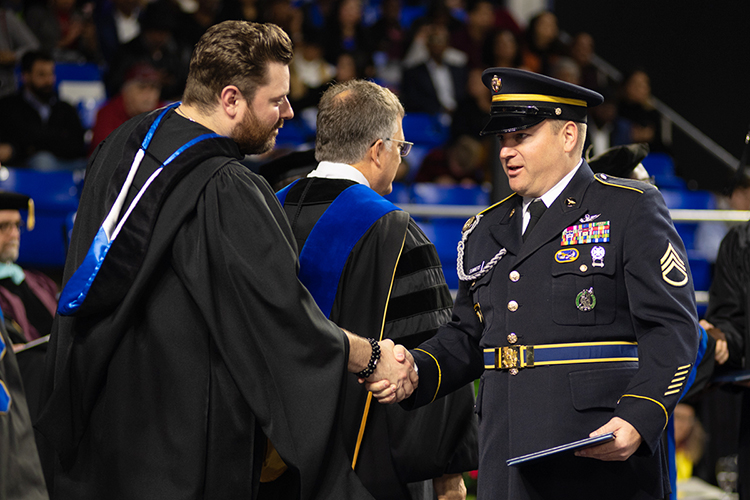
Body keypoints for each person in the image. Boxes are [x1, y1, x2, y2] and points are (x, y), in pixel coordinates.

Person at [34, 21, 414, 500]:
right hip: (181, 451)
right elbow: (282, 325)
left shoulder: (125, 145)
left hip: (97, 440)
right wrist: (372, 356)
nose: (288, 112)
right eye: (276, 100)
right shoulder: (226, 188)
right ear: (231, 99)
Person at [368, 67, 701, 499]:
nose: (506, 151)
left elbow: (674, 329)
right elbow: (469, 335)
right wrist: (416, 368)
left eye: (521, 136)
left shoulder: (629, 209)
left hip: (594, 458)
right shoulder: (485, 229)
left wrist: (641, 414)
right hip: (505, 453)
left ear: (568, 136)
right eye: (503, 139)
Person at [275, 79, 478, 500]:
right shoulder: (393, 230)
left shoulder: (265, 209)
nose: (401, 161)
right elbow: (429, 347)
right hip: (360, 468)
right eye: (400, 149)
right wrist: (447, 471)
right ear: (377, 150)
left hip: (267, 455)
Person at [0, 49, 86, 170]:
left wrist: (34, 143)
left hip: (66, 165)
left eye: (51, 74)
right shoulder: (8, 107)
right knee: (43, 161)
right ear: (26, 77)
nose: (48, 80)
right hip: (26, 170)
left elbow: (77, 144)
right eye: (41, 75)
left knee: (92, 168)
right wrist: (57, 136)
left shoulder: (65, 108)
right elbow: (13, 147)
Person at [88, 61, 165, 155]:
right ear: (126, 90)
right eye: (142, 88)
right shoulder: (107, 113)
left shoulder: (164, 114)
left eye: (154, 88)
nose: (149, 96)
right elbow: (107, 154)